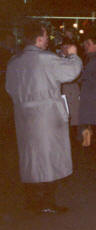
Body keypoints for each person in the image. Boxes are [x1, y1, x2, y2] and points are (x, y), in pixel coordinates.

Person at [6, 21, 82, 214]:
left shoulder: (14, 61)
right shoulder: (45, 58)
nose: (48, 39)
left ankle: (31, 201)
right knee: (49, 159)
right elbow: (71, 72)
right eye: (46, 36)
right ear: (39, 38)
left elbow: (9, 88)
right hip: (46, 117)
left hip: (23, 116)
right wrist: (73, 55)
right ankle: (47, 202)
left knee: (29, 159)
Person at [78, 36, 96, 147]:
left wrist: (82, 75)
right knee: (87, 116)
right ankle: (88, 137)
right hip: (87, 90)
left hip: (94, 91)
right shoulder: (88, 57)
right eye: (85, 43)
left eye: (88, 43)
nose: (85, 46)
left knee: (95, 118)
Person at [59, 38, 81, 140]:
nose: (66, 49)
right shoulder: (56, 59)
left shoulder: (75, 59)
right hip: (62, 89)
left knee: (74, 114)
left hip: (73, 89)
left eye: (68, 47)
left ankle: (74, 136)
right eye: (65, 46)